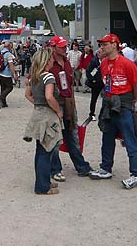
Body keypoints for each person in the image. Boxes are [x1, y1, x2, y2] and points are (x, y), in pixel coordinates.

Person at [89, 34, 137, 189]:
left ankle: (136, 174)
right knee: (107, 136)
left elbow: (136, 86)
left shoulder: (127, 64)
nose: (102, 47)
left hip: (124, 105)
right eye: (101, 45)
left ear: (114, 45)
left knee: (130, 139)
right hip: (109, 103)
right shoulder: (104, 63)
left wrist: (131, 102)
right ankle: (106, 168)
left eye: (104, 44)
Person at [48, 36, 92, 181]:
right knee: (54, 137)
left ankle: (81, 166)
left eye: (65, 45)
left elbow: (70, 84)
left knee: (72, 135)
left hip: (68, 102)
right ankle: (55, 169)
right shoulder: (47, 63)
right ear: (53, 47)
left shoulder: (66, 62)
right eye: (61, 46)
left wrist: (72, 103)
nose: (65, 48)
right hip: (54, 102)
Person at [23, 48, 63, 195]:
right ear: (47, 61)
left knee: (40, 151)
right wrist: (58, 111)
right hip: (48, 116)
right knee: (47, 151)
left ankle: (43, 181)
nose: (53, 60)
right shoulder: (48, 77)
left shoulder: (35, 76)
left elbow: (27, 94)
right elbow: (49, 97)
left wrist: (37, 103)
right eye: (51, 58)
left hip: (38, 114)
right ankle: (42, 187)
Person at [85, 46, 105, 121]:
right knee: (94, 98)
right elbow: (88, 71)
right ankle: (92, 113)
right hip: (96, 82)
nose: (99, 54)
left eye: (100, 52)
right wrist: (92, 79)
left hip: (104, 82)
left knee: (106, 98)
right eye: (98, 52)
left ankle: (104, 113)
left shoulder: (106, 60)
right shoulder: (94, 61)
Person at [0, 41, 17, 108]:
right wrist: (14, 74)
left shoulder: (0, 52)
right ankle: (0, 98)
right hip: (6, 73)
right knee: (10, 87)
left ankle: (3, 103)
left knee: (3, 88)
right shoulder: (8, 54)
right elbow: (11, 65)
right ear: (9, 46)